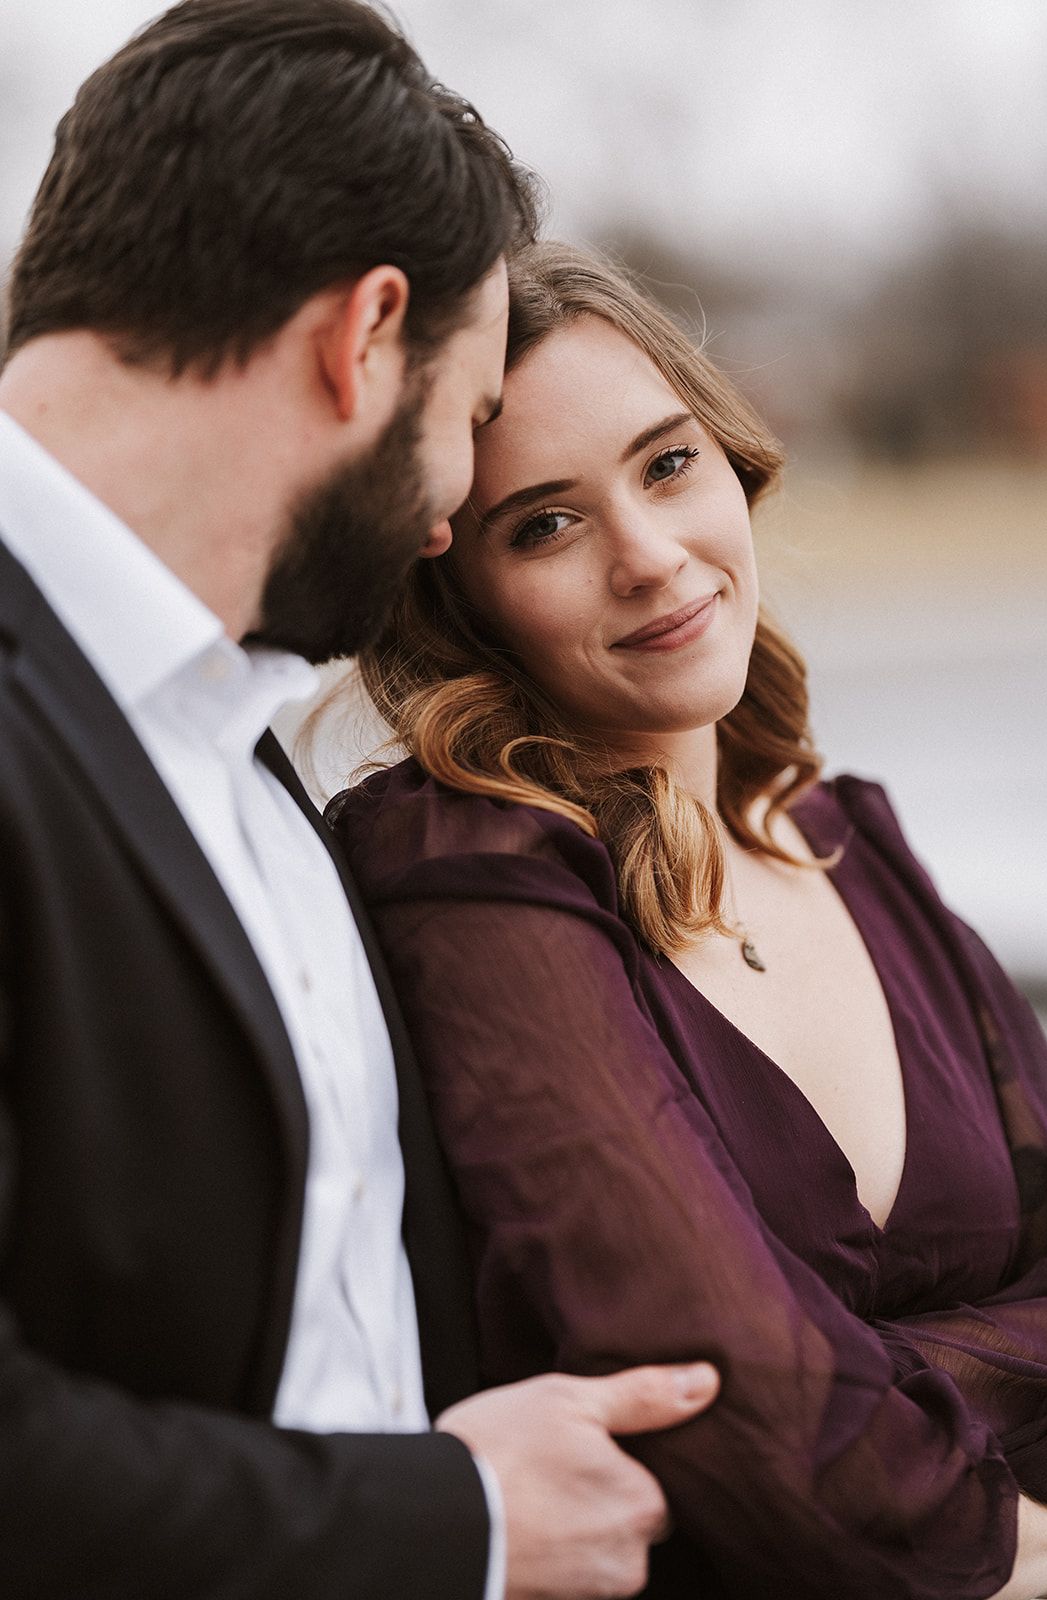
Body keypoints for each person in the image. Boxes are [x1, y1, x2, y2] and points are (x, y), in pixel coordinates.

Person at [0, 8, 721, 1597]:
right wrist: (447, 1525)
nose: (456, 503)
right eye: (470, 419)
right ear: (362, 336)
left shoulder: (226, 722)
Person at [329, 240, 1047, 1600]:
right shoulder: (468, 865)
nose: (651, 558)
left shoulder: (850, 838)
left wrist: (861, 1394)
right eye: (542, 524)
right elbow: (720, 1395)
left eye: (666, 464)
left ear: (732, 459)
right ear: (459, 595)